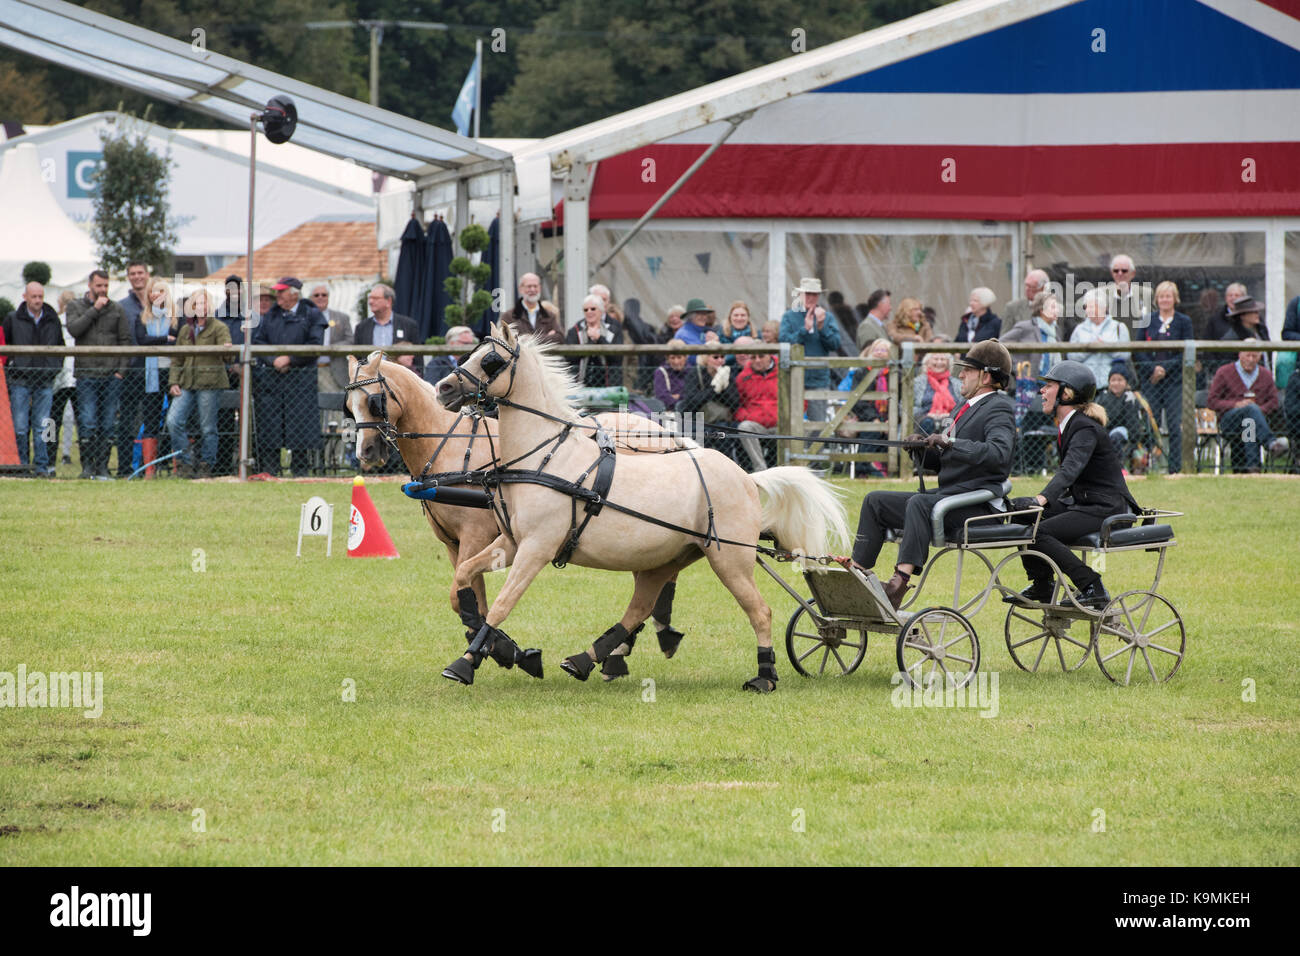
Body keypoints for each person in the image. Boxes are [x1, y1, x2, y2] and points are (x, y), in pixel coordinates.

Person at [844, 340, 1016, 609]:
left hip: (977, 506)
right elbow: (945, 460)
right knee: (874, 500)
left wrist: (951, 443)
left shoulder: (999, 407)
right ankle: (858, 575)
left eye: (967, 370)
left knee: (920, 503)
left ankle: (898, 583)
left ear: (986, 376)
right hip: (949, 498)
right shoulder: (960, 409)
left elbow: (999, 454)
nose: (960, 374)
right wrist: (922, 449)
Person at [1003, 360, 1140, 610]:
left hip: (1106, 508)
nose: (1041, 391)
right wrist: (1036, 504)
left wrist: (1041, 500)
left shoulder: (1084, 428)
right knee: (1024, 517)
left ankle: (1092, 586)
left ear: (1066, 393)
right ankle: (1042, 585)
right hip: (1086, 504)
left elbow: (1070, 469)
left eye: (1049, 386)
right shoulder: (1070, 425)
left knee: (1040, 531)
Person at [252, 276, 327, 476]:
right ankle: (270, 471)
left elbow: (315, 345)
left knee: (300, 426)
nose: (277, 296)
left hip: (301, 380)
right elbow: (258, 342)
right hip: (272, 380)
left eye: (281, 292)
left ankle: (300, 472)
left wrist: (290, 359)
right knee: (270, 425)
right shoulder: (271, 315)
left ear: (294, 294)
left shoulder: (312, 314)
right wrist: (274, 360)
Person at [66, 270, 132, 478]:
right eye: (99, 286)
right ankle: (87, 467)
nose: (103, 290)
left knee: (108, 423)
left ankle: (102, 467)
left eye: (106, 285)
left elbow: (124, 340)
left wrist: (121, 371)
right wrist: (94, 310)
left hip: (111, 375)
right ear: (90, 285)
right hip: (86, 374)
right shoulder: (75, 306)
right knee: (87, 421)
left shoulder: (117, 309)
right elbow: (74, 330)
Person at [167, 289, 233, 478]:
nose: (201, 308)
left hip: (210, 383)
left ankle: (206, 465)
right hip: (186, 382)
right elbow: (177, 359)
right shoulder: (185, 330)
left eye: (204, 303)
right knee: (173, 421)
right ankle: (185, 463)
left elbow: (228, 355)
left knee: (208, 427)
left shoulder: (219, 327)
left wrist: (227, 349)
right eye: (197, 304)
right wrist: (173, 382)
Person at [117, 276, 177, 476]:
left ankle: (175, 467)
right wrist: (164, 339)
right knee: (150, 419)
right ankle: (149, 469)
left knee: (174, 420)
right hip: (151, 375)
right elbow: (142, 340)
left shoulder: (176, 316)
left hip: (172, 373)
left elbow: (176, 341)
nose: (156, 294)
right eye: (153, 291)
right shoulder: (142, 317)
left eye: (160, 290)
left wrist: (161, 341)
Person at [3, 281, 62, 476]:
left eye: (40, 297)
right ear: (25, 297)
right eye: (34, 297)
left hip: (44, 379)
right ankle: (21, 466)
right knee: (20, 427)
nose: (37, 301)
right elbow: (6, 345)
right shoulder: (12, 319)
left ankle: (41, 467)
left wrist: (54, 368)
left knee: (44, 426)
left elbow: (60, 345)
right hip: (19, 379)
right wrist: (13, 367)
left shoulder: (52, 318)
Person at [1132, 280, 1192, 474]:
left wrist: (1164, 369)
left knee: (1175, 426)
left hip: (1174, 381)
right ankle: (1149, 465)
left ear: (1175, 298)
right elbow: (1138, 350)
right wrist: (1153, 370)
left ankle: (1175, 469)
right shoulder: (1146, 320)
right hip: (1151, 382)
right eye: (1161, 296)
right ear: (1156, 299)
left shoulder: (1184, 321)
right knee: (1152, 424)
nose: (1165, 299)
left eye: (1168, 296)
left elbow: (1186, 351)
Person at [1207, 345, 1288, 472]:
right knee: (1250, 411)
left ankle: (1253, 468)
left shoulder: (1265, 374)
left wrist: (1257, 411)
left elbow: (1273, 402)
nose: (1250, 359)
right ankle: (1271, 443)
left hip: (1254, 423)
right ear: (1240, 354)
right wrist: (1235, 405)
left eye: (1254, 356)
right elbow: (1212, 401)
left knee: (1250, 422)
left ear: (1259, 357)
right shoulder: (1224, 372)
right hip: (1229, 420)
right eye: (1247, 355)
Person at [778, 277, 841, 424]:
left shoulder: (827, 317)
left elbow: (835, 344)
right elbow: (783, 342)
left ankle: (814, 448)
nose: (811, 298)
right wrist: (804, 330)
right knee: (791, 422)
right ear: (800, 295)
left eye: (814, 294)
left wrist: (821, 326)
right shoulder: (789, 316)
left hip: (818, 379)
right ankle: (794, 448)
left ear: (819, 296)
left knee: (818, 424)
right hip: (793, 377)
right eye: (807, 294)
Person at [1068, 288, 1131, 390]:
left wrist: (1106, 347)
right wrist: (1089, 348)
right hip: (1085, 385)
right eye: (1086, 307)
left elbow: (1126, 354)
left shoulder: (1119, 327)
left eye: (1092, 306)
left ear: (1103, 307)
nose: (1087, 310)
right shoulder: (1079, 329)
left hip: (1112, 387)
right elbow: (1071, 356)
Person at [733, 341, 778, 471]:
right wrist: (748, 416)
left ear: (769, 355)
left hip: (780, 425)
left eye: (761, 356)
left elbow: (800, 400)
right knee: (744, 427)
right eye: (753, 357)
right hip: (757, 425)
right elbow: (737, 405)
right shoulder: (743, 377)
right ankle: (761, 469)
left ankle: (788, 467)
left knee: (794, 428)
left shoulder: (783, 372)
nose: (757, 360)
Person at [47, 290, 79, 468]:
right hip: (63, 377)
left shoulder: (68, 322)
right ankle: (61, 453)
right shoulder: (57, 321)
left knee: (53, 419)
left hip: (65, 377)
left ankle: (50, 456)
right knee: (65, 419)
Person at [565, 294, 624, 387]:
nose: (589, 312)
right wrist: (591, 342)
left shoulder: (614, 330)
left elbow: (617, 359)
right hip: (580, 386)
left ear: (601, 311)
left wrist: (599, 338)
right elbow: (569, 358)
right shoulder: (574, 331)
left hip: (608, 386)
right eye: (586, 310)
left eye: (593, 309)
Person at [354, 283, 418, 368]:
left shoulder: (409, 325)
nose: (370, 302)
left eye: (375, 298)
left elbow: (418, 360)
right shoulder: (361, 327)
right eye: (370, 298)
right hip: (370, 378)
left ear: (389, 301)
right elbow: (357, 358)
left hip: (398, 377)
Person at [1001, 290, 1061, 379]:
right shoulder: (1025, 327)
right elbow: (1000, 344)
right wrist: (1018, 368)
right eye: (1053, 307)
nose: (1057, 310)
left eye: (1057, 307)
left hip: (1050, 384)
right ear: (1041, 310)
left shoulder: (1055, 331)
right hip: (1029, 384)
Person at [1096, 366, 1148, 467]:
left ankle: (1119, 467)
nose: (1116, 383)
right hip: (1106, 429)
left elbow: (1132, 422)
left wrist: (1134, 438)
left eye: (1120, 380)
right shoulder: (1103, 397)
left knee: (1116, 436)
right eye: (1113, 380)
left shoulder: (1130, 398)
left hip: (1124, 430)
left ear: (1126, 382)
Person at [309, 284, 355, 391]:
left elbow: (350, 340)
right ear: (311, 298)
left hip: (334, 369)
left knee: (333, 406)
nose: (320, 297)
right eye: (316, 295)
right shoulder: (303, 318)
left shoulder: (342, 318)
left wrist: (331, 348)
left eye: (324, 295)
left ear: (328, 297)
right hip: (309, 369)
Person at [913, 351, 962, 435]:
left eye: (942, 359)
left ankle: (949, 448)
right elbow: (906, 406)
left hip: (951, 419)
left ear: (948, 363)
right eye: (936, 359)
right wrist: (928, 414)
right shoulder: (917, 382)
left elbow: (963, 405)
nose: (939, 362)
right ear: (927, 363)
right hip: (923, 420)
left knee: (948, 422)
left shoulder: (957, 384)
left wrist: (950, 414)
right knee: (928, 422)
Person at [507, 273, 564, 345]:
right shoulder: (509, 316)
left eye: (535, 286)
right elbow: (507, 340)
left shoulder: (549, 315)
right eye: (529, 286)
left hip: (544, 356)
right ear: (520, 289)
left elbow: (560, 338)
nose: (532, 289)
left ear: (540, 288)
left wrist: (530, 339)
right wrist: (547, 337)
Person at [1103, 253, 1151, 334]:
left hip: (1139, 345)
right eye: (1116, 270)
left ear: (1133, 273)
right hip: (1109, 345)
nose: (1120, 273)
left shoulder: (1146, 294)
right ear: (1112, 273)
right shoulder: (1100, 294)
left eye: (1124, 271)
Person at [653, 340, 689, 411]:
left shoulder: (691, 371)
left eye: (679, 357)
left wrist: (677, 396)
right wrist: (682, 400)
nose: (676, 361)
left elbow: (693, 396)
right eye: (672, 358)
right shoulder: (661, 372)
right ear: (668, 359)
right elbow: (662, 397)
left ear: (685, 357)